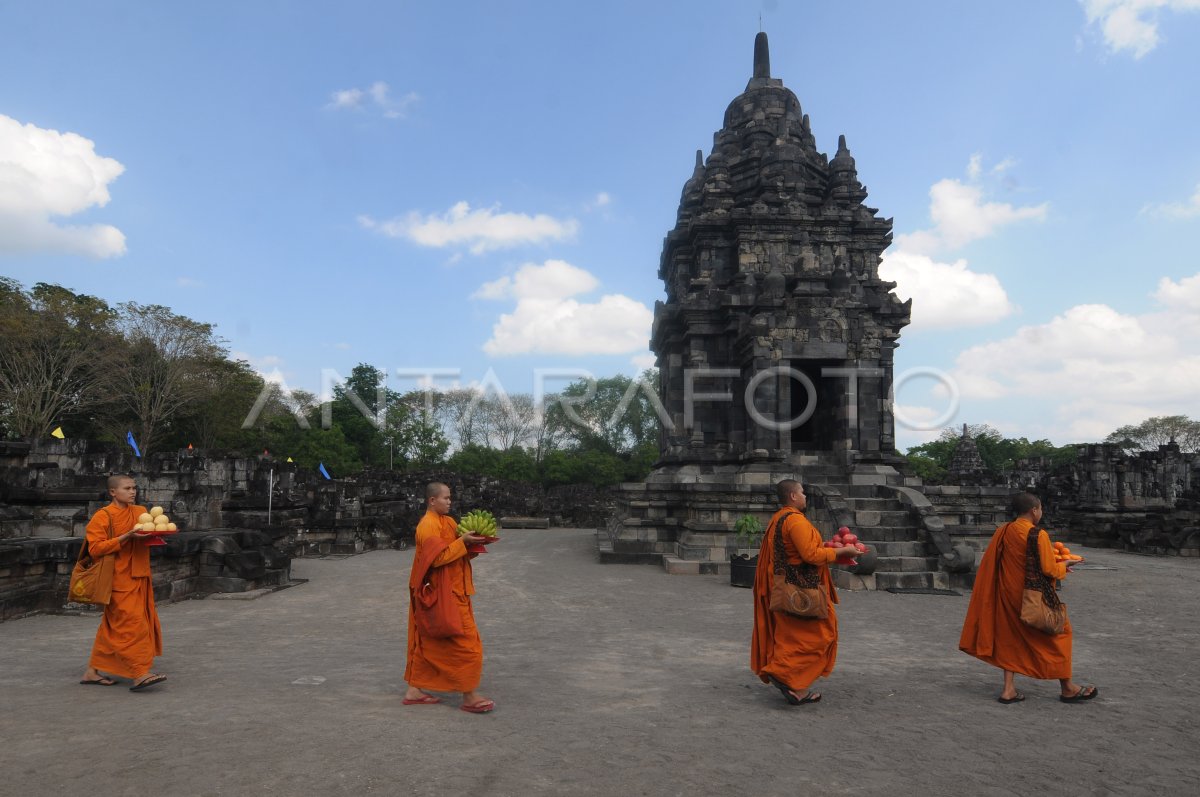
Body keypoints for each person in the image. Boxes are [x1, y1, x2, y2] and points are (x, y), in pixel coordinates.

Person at [959, 492, 1098, 704]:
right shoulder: (1037, 534)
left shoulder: (1003, 531)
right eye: (1040, 508)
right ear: (1034, 510)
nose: (1041, 512)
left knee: (1010, 638)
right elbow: (1049, 569)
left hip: (1008, 595)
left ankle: (1008, 690)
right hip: (1032, 598)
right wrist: (1064, 565)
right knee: (1060, 632)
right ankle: (1067, 687)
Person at [403, 482, 494, 713]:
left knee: (430, 641)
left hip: (456, 590)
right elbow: (438, 559)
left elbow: (457, 555)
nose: (449, 502)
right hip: (442, 594)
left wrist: (473, 545)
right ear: (432, 500)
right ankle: (470, 695)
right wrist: (462, 543)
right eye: (445, 498)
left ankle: (414, 690)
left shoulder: (450, 522)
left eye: (450, 498)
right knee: (468, 645)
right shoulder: (427, 526)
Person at [750, 479, 843, 705]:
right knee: (822, 634)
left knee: (791, 637)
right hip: (800, 591)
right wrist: (840, 553)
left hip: (782, 588)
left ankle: (797, 689)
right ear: (793, 496)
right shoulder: (795, 521)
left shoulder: (777, 519)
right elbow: (811, 556)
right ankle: (782, 672)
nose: (805, 496)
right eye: (802, 492)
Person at [79, 475, 166, 691]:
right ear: (112, 492)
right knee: (132, 625)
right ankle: (139, 673)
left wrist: (155, 534)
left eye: (134, 488)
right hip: (117, 579)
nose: (133, 492)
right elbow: (95, 549)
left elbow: (147, 536)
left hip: (139, 574)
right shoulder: (103, 517)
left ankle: (92, 671)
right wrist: (126, 537)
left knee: (114, 626)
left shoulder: (139, 512)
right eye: (127, 488)